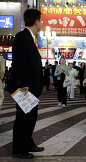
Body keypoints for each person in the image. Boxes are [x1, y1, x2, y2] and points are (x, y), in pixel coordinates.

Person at [11, 8, 44, 159]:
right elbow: (18, 63)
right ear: (36, 21)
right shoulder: (21, 37)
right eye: (41, 20)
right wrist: (23, 83)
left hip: (31, 87)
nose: (42, 23)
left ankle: (28, 143)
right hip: (24, 87)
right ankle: (19, 149)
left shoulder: (29, 37)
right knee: (23, 118)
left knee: (31, 116)